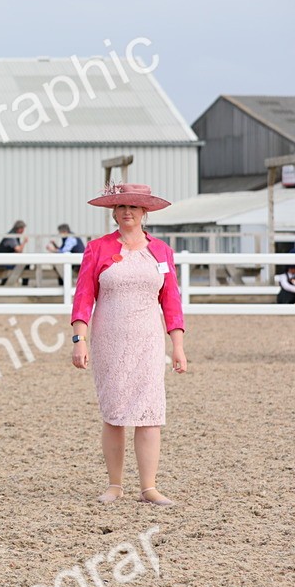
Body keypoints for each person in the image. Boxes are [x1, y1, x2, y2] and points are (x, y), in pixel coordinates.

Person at [71, 183, 187, 507]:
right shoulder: (97, 249)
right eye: (121, 207)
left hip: (149, 340)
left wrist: (177, 344)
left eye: (133, 207)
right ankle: (115, 484)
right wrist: (79, 339)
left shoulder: (162, 252)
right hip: (110, 339)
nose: (127, 212)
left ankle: (149, 486)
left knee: (151, 412)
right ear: (114, 212)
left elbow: (172, 301)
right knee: (115, 412)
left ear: (144, 212)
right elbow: (83, 298)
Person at [0, 220, 30, 285]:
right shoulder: (12, 237)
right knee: (25, 265)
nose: (23, 231)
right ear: (19, 229)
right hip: (2, 262)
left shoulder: (13, 236)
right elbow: (19, 250)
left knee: (22, 265)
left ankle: (4, 283)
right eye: (22, 229)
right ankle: (24, 285)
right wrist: (24, 242)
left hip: (5, 260)